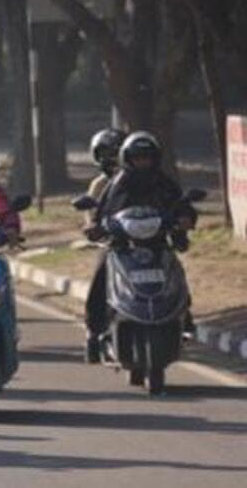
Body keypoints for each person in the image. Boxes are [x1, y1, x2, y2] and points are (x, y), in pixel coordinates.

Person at [83, 132, 196, 361]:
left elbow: (182, 205)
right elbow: (101, 212)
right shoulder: (117, 184)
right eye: (137, 158)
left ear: (156, 159)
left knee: (176, 274)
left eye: (147, 157)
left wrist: (185, 218)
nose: (143, 162)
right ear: (128, 159)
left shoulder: (164, 182)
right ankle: (93, 332)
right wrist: (95, 227)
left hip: (157, 244)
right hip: (121, 245)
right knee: (100, 275)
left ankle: (185, 319)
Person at [83, 127, 127, 210]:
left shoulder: (138, 179)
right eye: (104, 154)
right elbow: (93, 218)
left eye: (115, 154)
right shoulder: (99, 184)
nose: (111, 159)